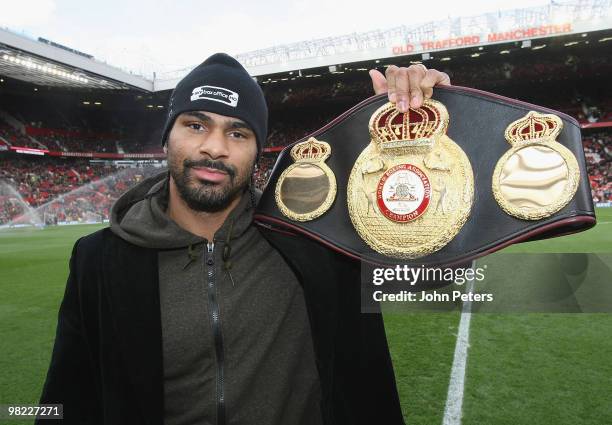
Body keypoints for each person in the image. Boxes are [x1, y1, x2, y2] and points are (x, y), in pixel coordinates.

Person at [37, 53, 450, 425]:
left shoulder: (313, 238)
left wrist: (427, 145)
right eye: (195, 125)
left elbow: (433, 280)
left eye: (238, 133)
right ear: (167, 136)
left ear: (257, 151)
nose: (214, 148)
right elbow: (68, 396)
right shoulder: (99, 260)